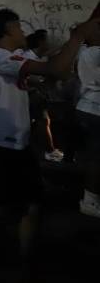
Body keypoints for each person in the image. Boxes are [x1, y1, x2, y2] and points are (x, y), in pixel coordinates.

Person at [0, 9, 98, 272]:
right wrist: (78, 36)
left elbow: (55, 71)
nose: (23, 32)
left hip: (16, 144)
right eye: (18, 27)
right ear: (7, 32)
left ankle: (24, 263)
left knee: (32, 203)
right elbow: (54, 68)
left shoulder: (10, 57)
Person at [24, 30, 65, 162]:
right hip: (28, 96)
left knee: (42, 122)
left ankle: (45, 151)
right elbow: (27, 78)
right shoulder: (27, 57)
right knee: (43, 121)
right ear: (41, 42)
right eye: (47, 40)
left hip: (34, 95)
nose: (50, 42)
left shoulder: (37, 56)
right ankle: (49, 151)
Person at [76, 21, 100, 218]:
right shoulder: (93, 53)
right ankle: (89, 200)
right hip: (94, 109)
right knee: (95, 157)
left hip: (88, 106)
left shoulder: (86, 52)